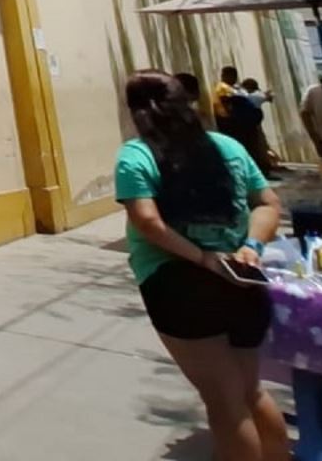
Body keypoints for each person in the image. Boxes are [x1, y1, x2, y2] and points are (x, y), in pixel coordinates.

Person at [115, 70, 287, 461]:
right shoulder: (228, 147)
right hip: (244, 279)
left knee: (224, 401)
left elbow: (148, 222)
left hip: (179, 285)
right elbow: (268, 202)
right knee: (251, 390)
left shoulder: (136, 155)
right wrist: (251, 246)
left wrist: (203, 259)